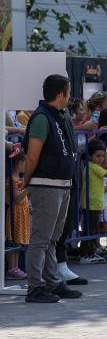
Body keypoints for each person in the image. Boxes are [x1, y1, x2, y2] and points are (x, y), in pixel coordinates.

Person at [21, 74, 83, 303]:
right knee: (40, 239)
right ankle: (35, 287)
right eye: (68, 92)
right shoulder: (41, 118)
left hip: (62, 184)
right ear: (60, 95)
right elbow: (33, 155)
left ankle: (52, 282)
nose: (70, 96)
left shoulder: (61, 115)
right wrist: (27, 180)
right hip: (46, 185)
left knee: (52, 239)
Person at [5, 146, 30, 280]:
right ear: (20, 163)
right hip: (15, 212)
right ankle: (12, 268)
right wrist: (28, 188)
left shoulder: (20, 178)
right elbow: (17, 198)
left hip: (22, 212)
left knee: (19, 240)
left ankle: (16, 267)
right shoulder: (13, 180)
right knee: (13, 239)